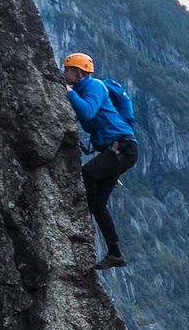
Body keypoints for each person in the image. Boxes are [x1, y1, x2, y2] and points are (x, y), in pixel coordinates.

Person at [59, 52, 138, 270]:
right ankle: (115, 254)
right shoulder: (83, 89)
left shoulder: (93, 87)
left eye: (67, 70)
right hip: (116, 150)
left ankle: (86, 217)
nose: (64, 73)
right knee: (100, 205)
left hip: (122, 149)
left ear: (79, 72)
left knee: (87, 174)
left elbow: (87, 111)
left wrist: (69, 93)